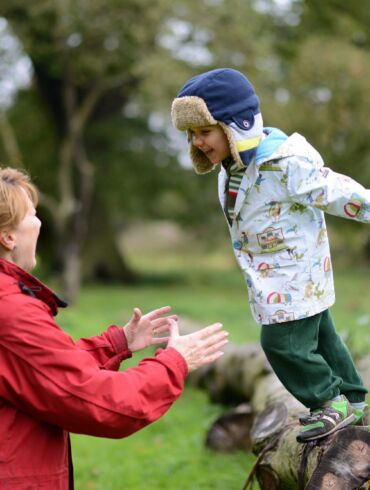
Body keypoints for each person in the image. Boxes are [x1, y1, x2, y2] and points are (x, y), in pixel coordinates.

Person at [171, 67, 369, 443]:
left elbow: (333, 189)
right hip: (277, 274)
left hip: (295, 272)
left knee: (281, 345)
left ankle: (329, 401)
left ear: (236, 126)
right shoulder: (231, 166)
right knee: (322, 334)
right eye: (191, 134)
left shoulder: (283, 163)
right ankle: (354, 399)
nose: (197, 142)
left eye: (205, 131)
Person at [0, 166, 229, 489]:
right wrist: (174, 362)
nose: (39, 223)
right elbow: (100, 401)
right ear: (9, 236)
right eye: (33, 214)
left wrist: (115, 343)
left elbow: (34, 368)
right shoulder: (10, 311)